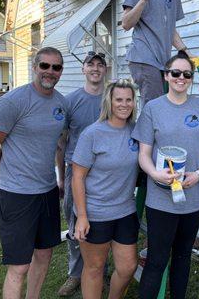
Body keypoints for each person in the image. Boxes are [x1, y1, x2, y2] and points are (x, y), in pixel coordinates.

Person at [132, 53, 199, 299]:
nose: (181, 78)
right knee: (156, 260)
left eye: (186, 74)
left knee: (183, 258)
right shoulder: (153, 108)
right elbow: (143, 154)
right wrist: (153, 173)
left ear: (191, 78)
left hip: (194, 197)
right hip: (161, 200)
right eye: (176, 73)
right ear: (166, 76)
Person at [0, 47, 67, 299]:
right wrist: (7, 169)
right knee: (19, 265)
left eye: (56, 67)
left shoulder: (61, 104)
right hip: (17, 195)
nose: (50, 72)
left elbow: (59, 144)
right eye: (45, 66)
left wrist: (60, 179)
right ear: (35, 66)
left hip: (48, 191)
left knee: (44, 253)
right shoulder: (13, 102)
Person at [71, 79, 140, 299]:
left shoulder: (136, 132)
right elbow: (78, 177)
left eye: (129, 99)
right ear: (109, 101)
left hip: (125, 210)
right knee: (94, 268)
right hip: (95, 211)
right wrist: (82, 216)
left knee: (128, 267)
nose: (124, 104)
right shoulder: (92, 133)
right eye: (118, 99)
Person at [56, 51, 107, 296]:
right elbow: (61, 141)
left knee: (105, 223)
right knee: (75, 222)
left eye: (100, 65)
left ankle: (100, 270)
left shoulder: (113, 98)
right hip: (75, 170)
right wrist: (60, 176)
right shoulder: (70, 101)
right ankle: (75, 274)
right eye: (91, 65)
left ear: (105, 70)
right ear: (83, 70)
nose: (95, 68)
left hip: (106, 173)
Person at [122, 0, 192, 107]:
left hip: (164, 61)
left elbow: (170, 30)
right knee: (155, 108)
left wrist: (185, 52)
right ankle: (145, 134)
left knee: (164, 106)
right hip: (144, 57)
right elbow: (126, 23)